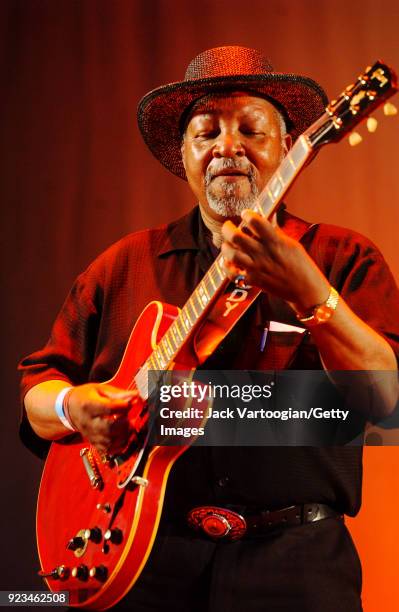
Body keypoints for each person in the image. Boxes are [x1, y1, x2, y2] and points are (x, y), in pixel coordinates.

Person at [19, 46, 399, 611]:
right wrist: (74, 406)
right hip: (144, 562)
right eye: (206, 132)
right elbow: (37, 389)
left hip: (298, 568)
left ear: (290, 145)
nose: (227, 146)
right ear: (184, 154)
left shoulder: (341, 257)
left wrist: (310, 292)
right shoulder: (122, 266)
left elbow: (388, 398)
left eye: (251, 128)